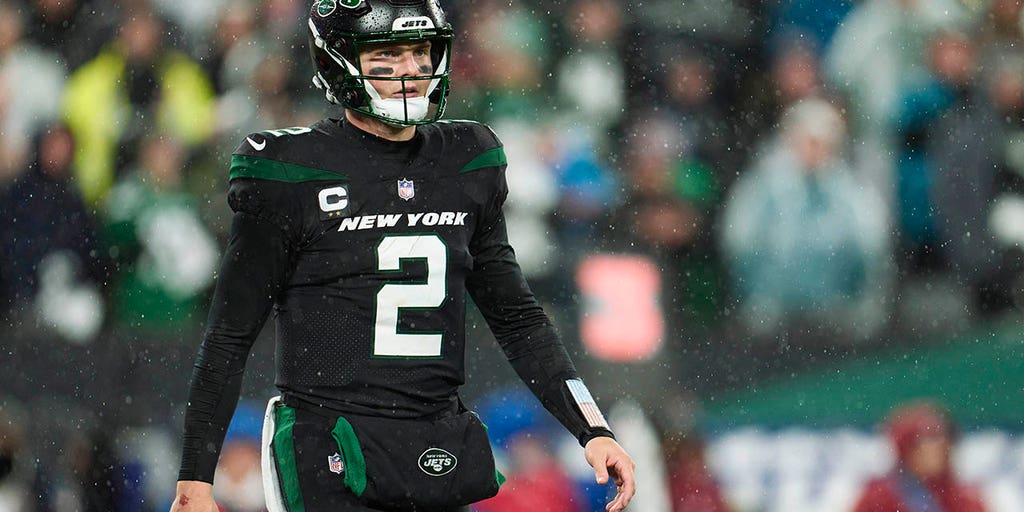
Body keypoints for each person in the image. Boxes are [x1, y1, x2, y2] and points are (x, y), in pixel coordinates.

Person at [170, 1, 636, 512]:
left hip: (434, 441)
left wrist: (591, 428)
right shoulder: (291, 172)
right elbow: (229, 336)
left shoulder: (467, 160)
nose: (412, 69)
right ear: (337, 60)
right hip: (330, 440)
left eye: (419, 50)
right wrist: (196, 478)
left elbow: (518, 319)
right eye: (388, 53)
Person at [851, 401, 987, 512]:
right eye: (931, 437)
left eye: (947, 438)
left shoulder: (964, 498)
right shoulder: (878, 497)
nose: (942, 445)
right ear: (907, 447)